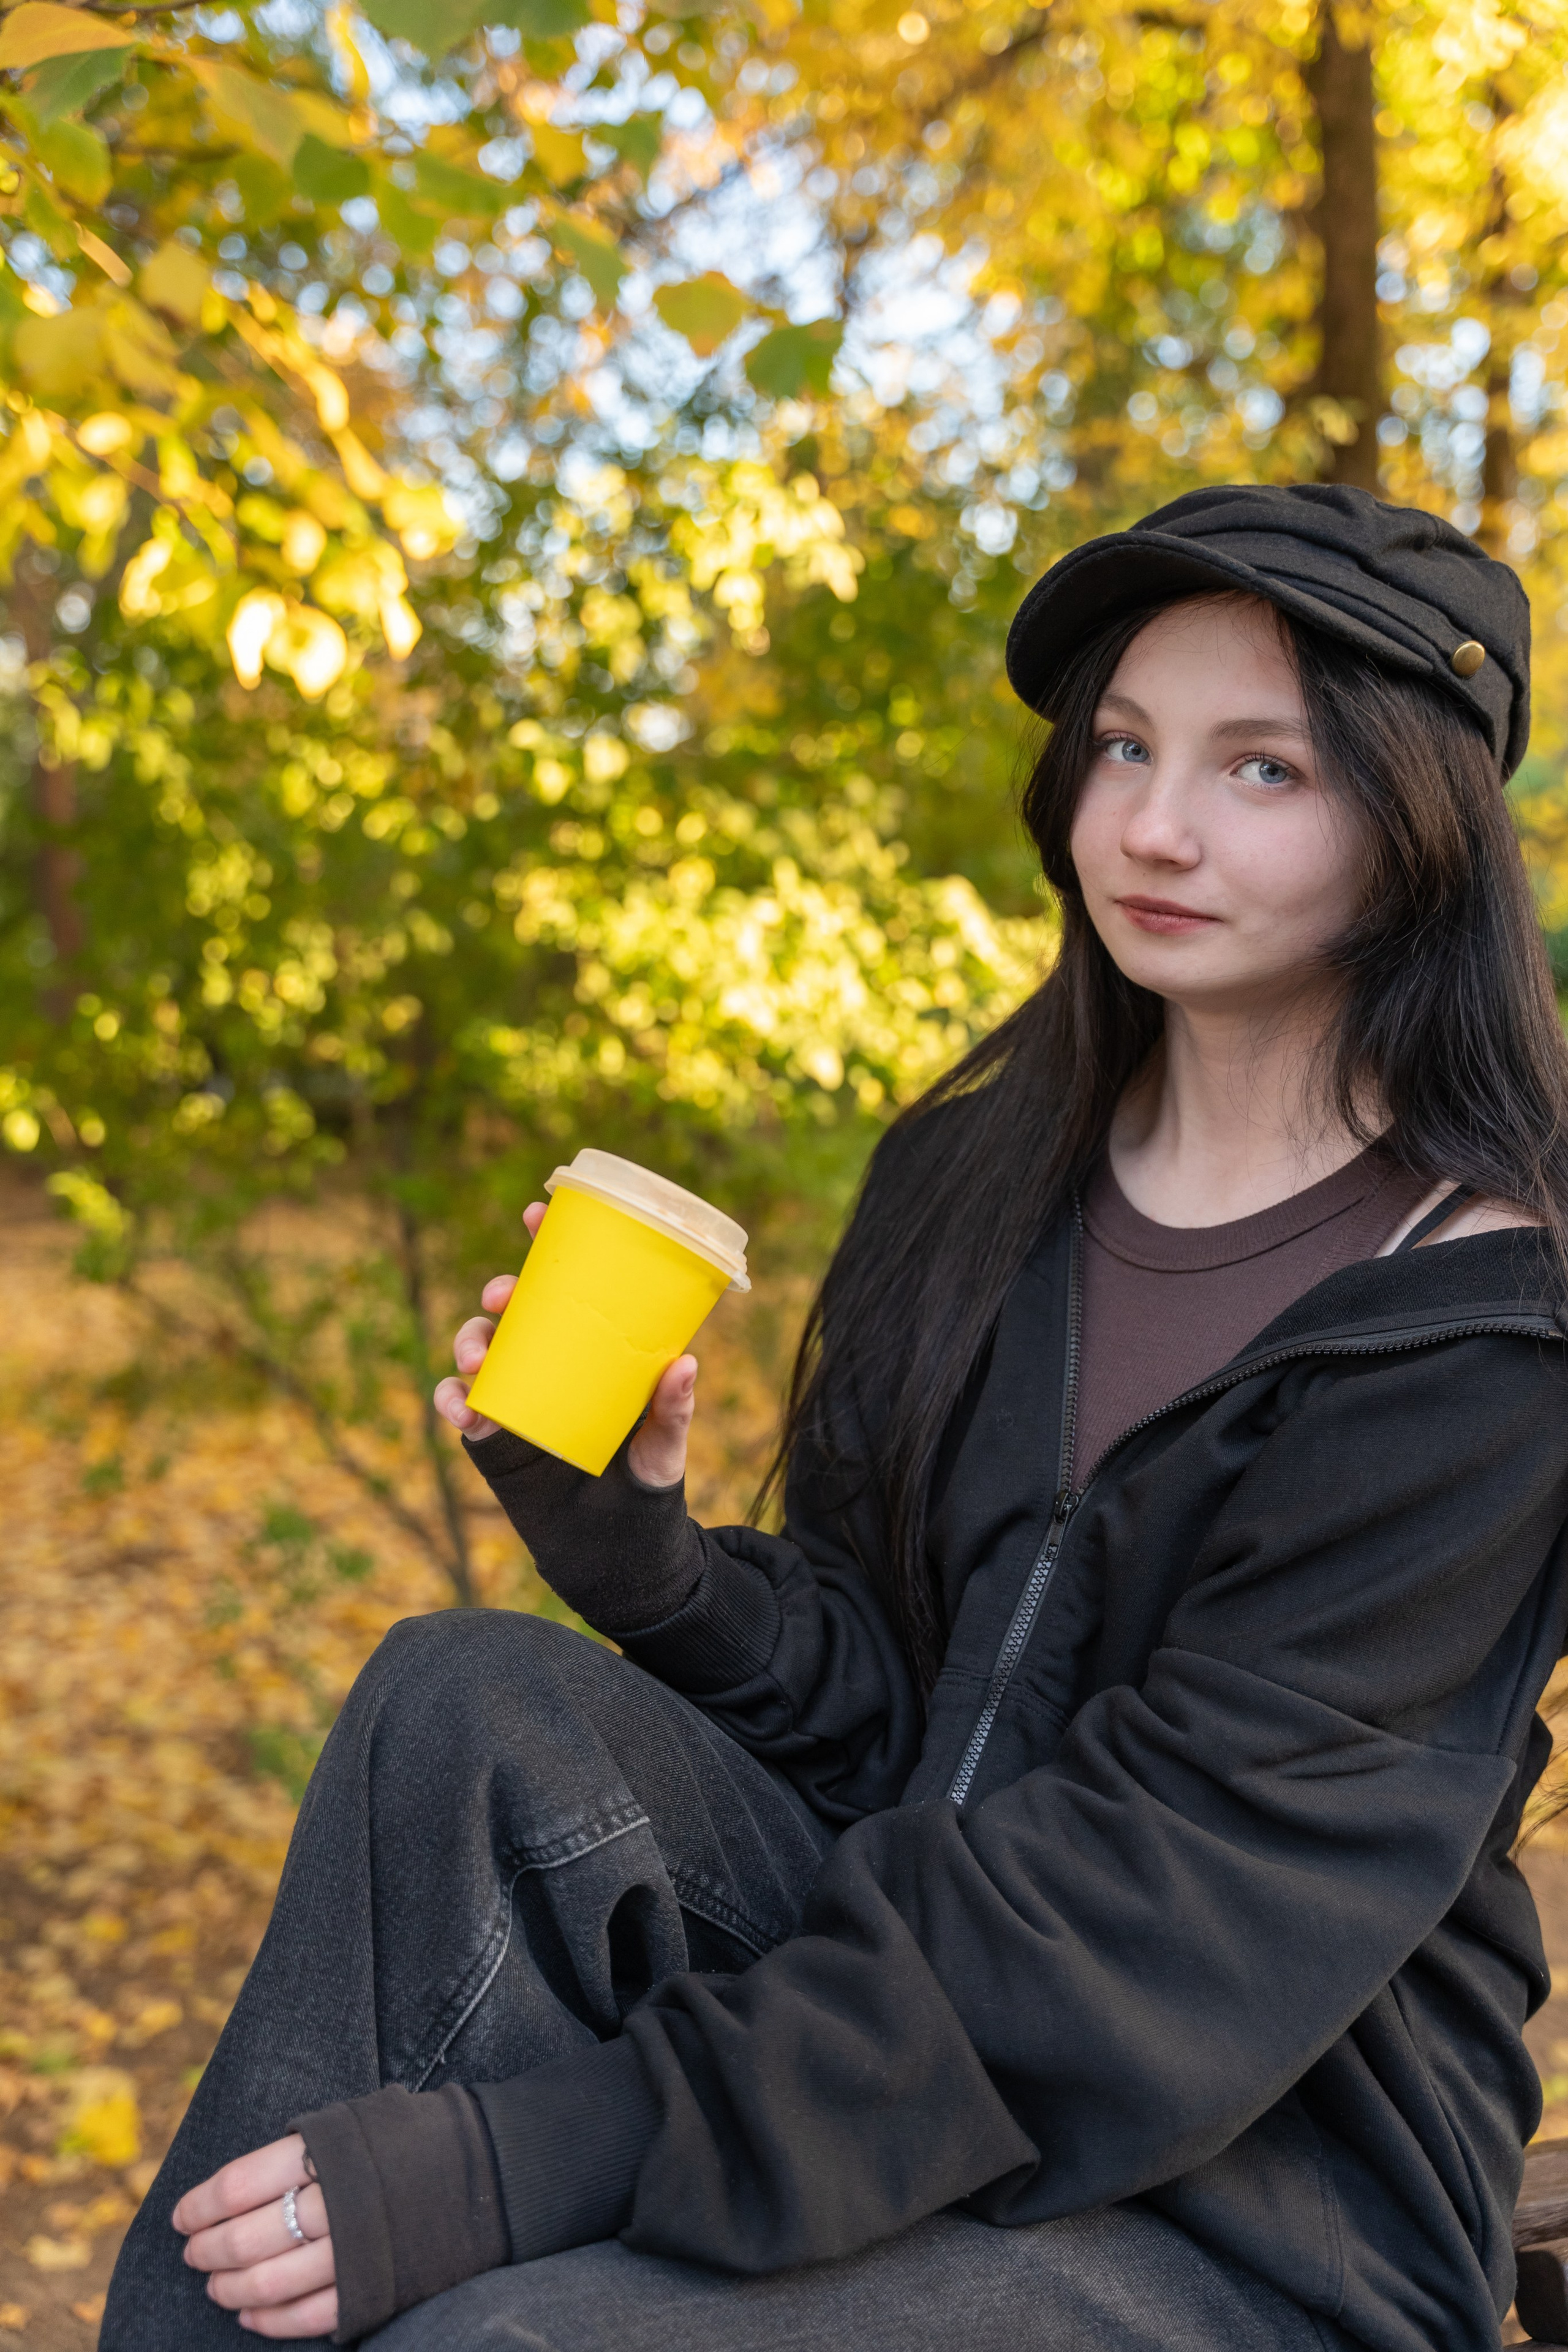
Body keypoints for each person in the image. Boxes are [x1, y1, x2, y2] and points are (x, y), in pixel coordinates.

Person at [104, 483, 1568, 2352]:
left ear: (1422, 822)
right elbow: (911, 1711)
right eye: (1122, 745)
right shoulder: (979, 1177)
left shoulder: (1482, 1325)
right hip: (901, 1998)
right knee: (457, 1700)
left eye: (1262, 770)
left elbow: (1150, 1916)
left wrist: (519, 2162)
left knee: (506, 2337)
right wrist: (649, 1568)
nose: (1152, 824)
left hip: (1271, 2192)